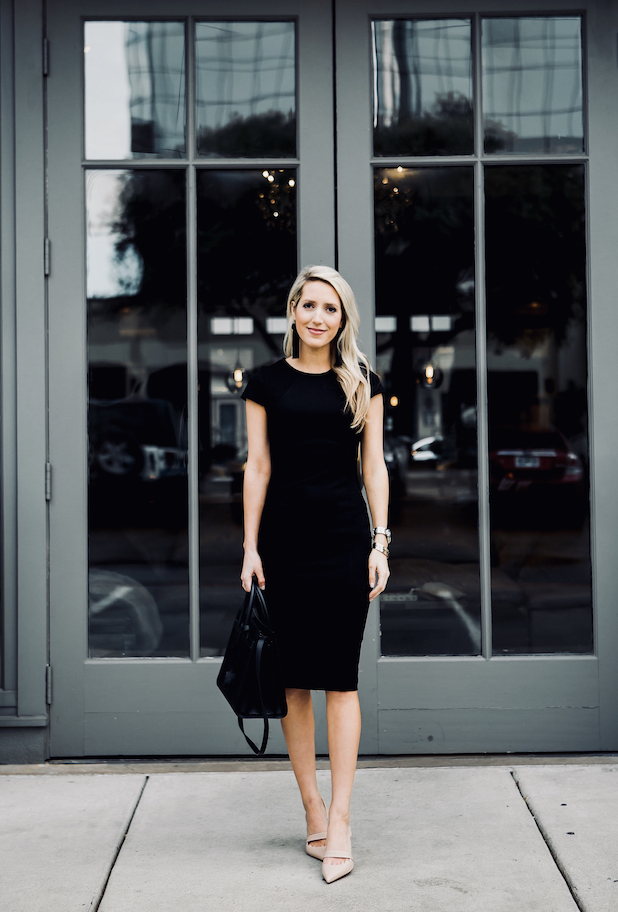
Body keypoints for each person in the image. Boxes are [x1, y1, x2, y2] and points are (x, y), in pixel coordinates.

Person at [240, 265, 390, 883]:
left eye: (330, 308)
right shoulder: (264, 383)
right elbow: (257, 468)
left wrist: (380, 541)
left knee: (341, 681)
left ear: (343, 317)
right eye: (308, 305)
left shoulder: (361, 382)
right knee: (293, 684)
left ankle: (345, 820)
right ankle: (314, 811)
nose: (318, 317)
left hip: (344, 544)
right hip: (282, 547)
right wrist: (249, 547)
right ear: (293, 311)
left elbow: (374, 467)